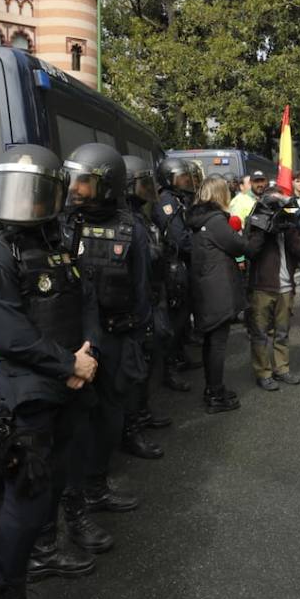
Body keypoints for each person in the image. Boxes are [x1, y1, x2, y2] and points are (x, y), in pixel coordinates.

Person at [0, 144, 99, 599]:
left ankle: (46, 553)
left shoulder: (55, 238)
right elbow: (11, 336)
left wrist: (86, 353)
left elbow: (81, 299)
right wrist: (68, 365)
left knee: (55, 484)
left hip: (69, 383)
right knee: (24, 505)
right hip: (30, 397)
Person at [63, 144, 160, 470]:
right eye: (73, 180)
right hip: (78, 341)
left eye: (84, 181)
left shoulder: (130, 228)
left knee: (113, 409)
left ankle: (97, 485)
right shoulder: (64, 224)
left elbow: (142, 287)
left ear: (107, 184)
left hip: (118, 335)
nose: (75, 188)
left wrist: (137, 331)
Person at [123, 155, 176, 433]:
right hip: (137, 305)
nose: (149, 189)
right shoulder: (127, 221)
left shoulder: (143, 217)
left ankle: (143, 412)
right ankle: (135, 422)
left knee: (149, 360)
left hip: (152, 296)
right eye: (143, 184)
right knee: (137, 367)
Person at [186, 174, 248, 412]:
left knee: (210, 343)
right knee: (217, 344)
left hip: (204, 289)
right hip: (217, 292)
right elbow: (238, 246)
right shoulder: (215, 221)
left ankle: (212, 388)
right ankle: (215, 393)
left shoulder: (199, 218)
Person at [244, 186, 300, 389]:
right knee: (261, 333)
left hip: (285, 288)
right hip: (262, 287)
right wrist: (264, 228)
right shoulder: (255, 222)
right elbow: (250, 251)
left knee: (282, 332)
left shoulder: (289, 225)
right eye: (274, 206)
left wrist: (289, 230)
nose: (277, 210)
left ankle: (282, 369)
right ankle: (263, 372)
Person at [155, 156, 199, 385]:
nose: (185, 181)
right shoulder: (166, 202)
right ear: (168, 179)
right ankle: (169, 369)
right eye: (181, 177)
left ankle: (180, 356)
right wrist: (200, 245)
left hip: (183, 265)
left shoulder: (180, 199)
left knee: (183, 317)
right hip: (174, 267)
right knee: (175, 319)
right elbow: (180, 238)